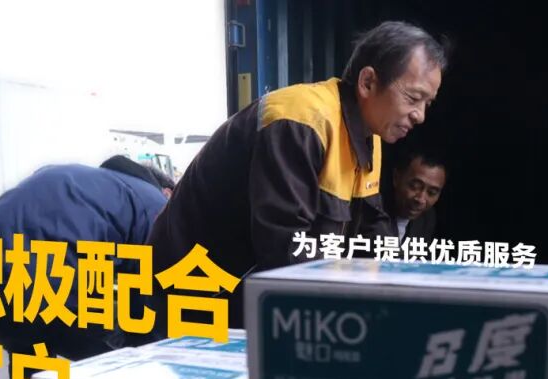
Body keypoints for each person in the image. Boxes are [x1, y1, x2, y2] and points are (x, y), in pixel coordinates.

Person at [146, 21, 448, 328]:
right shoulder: (299, 121)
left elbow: (373, 233)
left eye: (427, 103)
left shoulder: (370, 139)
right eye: (413, 98)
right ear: (368, 82)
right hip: (188, 294)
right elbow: (286, 249)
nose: (420, 115)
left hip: (236, 295)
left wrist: (406, 290)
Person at [0, 156, 173, 370]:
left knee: (28, 342)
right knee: (127, 362)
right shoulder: (154, 201)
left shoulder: (77, 178)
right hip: (42, 288)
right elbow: (147, 291)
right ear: (167, 192)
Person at [386, 146, 447, 241]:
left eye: (431, 193)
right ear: (396, 178)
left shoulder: (426, 219)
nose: (421, 199)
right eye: (415, 186)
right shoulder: (371, 212)